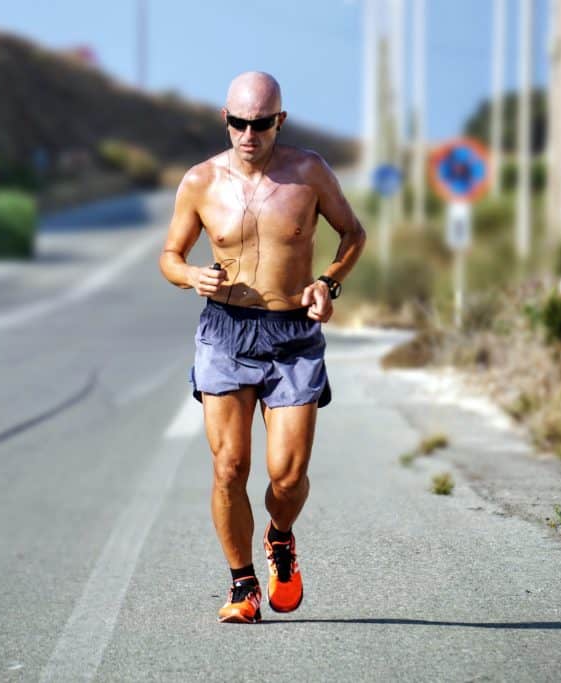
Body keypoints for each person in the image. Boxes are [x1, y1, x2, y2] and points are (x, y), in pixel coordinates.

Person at [158, 72, 366, 624]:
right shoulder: (201, 181)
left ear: (280, 120)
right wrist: (189, 276)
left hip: (293, 334)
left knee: (287, 476)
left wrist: (328, 282)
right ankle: (243, 584)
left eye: (260, 123)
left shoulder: (310, 172)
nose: (248, 134)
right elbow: (170, 255)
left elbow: (353, 233)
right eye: (238, 122)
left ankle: (280, 536)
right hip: (225, 330)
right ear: (224, 119)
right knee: (229, 467)